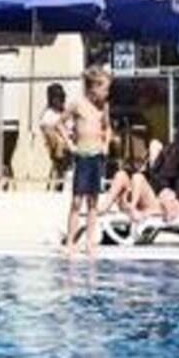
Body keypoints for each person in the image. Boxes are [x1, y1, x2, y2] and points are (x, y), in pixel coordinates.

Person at [62, 68, 111, 255]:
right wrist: (69, 144)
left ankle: (90, 242)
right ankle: (70, 242)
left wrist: (105, 143)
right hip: (82, 156)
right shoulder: (77, 104)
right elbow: (59, 123)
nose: (107, 93)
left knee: (93, 202)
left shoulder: (103, 107)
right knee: (76, 201)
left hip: (96, 156)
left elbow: (107, 128)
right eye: (105, 89)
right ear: (94, 87)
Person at [38, 84, 72, 179]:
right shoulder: (48, 116)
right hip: (61, 149)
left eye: (63, 97)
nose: (62, 100)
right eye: (59, 97)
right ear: (52, 99)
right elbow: (49, 135)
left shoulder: (67, 113)